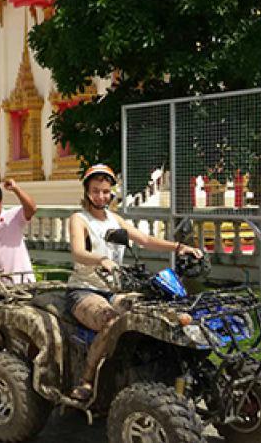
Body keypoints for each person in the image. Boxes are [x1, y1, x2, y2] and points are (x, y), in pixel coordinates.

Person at [66, 164, 203, 401]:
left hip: (114, 289)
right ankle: (87, 380)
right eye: (96, 190)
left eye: (106, 191)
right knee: (110, 322)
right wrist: (101, 259)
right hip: (84, 290)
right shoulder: (79, 219)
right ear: (87, 191)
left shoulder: (114, 219)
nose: (101, 196)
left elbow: (145, 239)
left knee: (151, 313)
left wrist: (180, 248)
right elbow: (77, 252)